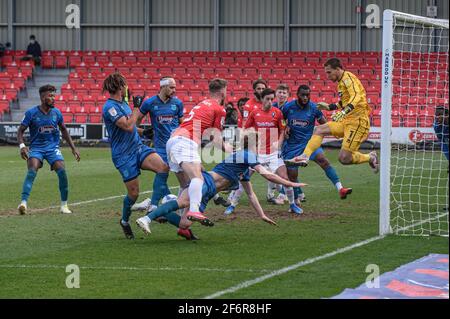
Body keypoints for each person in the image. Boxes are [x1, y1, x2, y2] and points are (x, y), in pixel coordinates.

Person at [135, 131, 307, 235]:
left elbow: (250, 194)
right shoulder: (246, 155)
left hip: (209, 193)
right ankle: (147, 217)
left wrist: (261, 215)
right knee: (183, 202)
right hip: (206, 181)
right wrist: (291, 184)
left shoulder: (244, 166)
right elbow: (267, 175)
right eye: (260, 144)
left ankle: (161, 211)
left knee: (184, 224)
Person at [101, 73, 171, 240]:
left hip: (138, 147)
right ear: (119, 87)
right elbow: (126, 125)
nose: (127, 87)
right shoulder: (109, 107)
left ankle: (153, 206)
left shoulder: (123, 103)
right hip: (123, 155)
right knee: (134, 194)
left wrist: (144, 132)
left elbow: (131, 126)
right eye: (125, 84)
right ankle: (124, 221)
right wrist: (136, 109)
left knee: (163, 167)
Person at [290, 58, 379, 173]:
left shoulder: (348, 78)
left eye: (329, 72)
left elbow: (356, 97)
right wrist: (329, 107)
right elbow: (344, 102)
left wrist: (343, 112)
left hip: (358, 122)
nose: (327, 76)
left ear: (337, 69)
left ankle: (370, 157)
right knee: (319, 129)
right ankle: (304, 156)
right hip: (347, 121)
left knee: (344, 158)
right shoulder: (341, 82)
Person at [225, 88, 303, 215]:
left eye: (272, 99)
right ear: (262, 99)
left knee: (285, 178)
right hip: (257, 154)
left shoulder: (277, 113)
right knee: (244, 179)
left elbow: (282, 130)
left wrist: (279, 143)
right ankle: (232, 206)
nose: (270, 101)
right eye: (267, 99)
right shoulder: (254, 113)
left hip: (273, 153)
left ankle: (292, 205)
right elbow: (246, 129)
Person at [164, 78, 231, 225]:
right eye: (226, 90)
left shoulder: (201, 104)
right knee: (198, 179)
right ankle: (192, 209)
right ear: (222, 91)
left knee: (185, 185)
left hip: (173, 141)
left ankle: (180, 218)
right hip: (184, 142)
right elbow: (216, 137)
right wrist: (232, 152)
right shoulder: (219, 108)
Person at [17, 85, 80, 215]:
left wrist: (73, 148)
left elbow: (64, 130)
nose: (53, 98)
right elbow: (20, 131)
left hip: (52, 148)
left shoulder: (57, 113)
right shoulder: (31, 113)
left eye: (53, 96)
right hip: (36, 148)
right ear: (42, 97)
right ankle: (23, 203)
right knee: (32, 168)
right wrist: (22, 146)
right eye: (50, 96)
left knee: (62, 170)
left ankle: (64, 206)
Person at [282, 85, 352, 201]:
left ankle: (340, 188)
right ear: (297, 95)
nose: (305, 97)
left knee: (324, 161)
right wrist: (285, 127)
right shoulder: (288, 107)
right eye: (303, 95)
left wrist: (335, 127)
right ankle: (295, 201)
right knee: (292, 176)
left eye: (307, 95)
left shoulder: (314, 108)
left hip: (310, 143)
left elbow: (324, 124)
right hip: (292, 145)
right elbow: (281, 120)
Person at [130, 77, 184, 213]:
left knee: (182, 174)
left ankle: (159, 201)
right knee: (163, 171)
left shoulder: (177, 103)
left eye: (175, 87)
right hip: (159, 146)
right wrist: (143, 132)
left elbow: (183, 124)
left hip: (175, 145)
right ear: (163, 87)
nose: (174, 90)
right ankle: (156, 204)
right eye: (171, 87)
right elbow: (135, 123)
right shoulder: (149, 103)